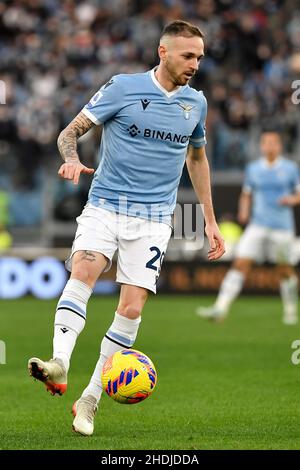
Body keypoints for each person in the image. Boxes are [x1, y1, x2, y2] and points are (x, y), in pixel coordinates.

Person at [28, 20, 225, 436]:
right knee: (84, 267)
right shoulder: (122, 87)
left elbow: (197, 159)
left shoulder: (196, 104)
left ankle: (90, 399)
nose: (195, 64)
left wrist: (209, 220)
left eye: (200, 57)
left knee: (131, 308)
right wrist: (70, 157)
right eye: (188, 55)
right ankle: (59, 362)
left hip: (154, 221)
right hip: (105, 205)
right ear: (163, 52)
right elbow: (71, 131)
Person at [196, 128, 300, 325]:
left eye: (273, 142)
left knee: (285, 270)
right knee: (240, 264)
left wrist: (291, 200)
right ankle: (220, 308)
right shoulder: (254, 169)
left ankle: (290, 309)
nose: (269, 146)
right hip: (257, 225)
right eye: (265, 142)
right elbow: (246, 193)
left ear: (279, 146)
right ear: (261, 146)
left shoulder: (290, 168)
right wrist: (244, 211)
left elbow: (299, 194)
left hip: (282, 227)